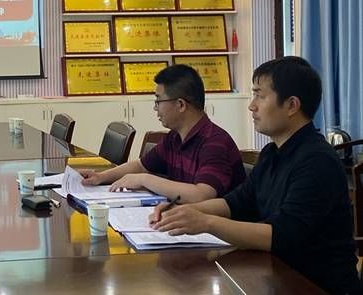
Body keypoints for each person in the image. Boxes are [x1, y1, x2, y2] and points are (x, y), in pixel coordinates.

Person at [150, 57, 360, 295]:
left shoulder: (317, 161)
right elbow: (238, 202)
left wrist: (205, 222)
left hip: (315, 286)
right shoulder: (272, 152)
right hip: (275, 275)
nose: (252, 106)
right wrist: (186, 211)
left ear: (291, 105)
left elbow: (281, 235)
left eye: (260, 96)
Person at [81, 64, 246, 203]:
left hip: (216, 229)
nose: (155, 108)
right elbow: (142, 166)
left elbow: (201, 195)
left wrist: (144, 180)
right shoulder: (174, 137)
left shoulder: (215, 143)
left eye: (158, 101)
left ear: (180, 105)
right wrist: (100, 177)